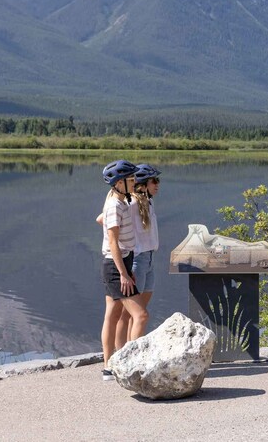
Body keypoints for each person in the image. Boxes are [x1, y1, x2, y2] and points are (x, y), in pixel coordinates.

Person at [99, 159, 149, 381]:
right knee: (140, 315)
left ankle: (109, 366)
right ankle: (130, 363)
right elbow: (112, 242)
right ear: (119, 183)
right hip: (115, 265)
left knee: (113, 314)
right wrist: (123, 273)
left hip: (124, 261)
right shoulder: (114, 206)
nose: (134, 182)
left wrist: (127, 268)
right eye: (130, 179)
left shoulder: (121, 200)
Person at [114, 163, 162, 346]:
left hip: (149, 260)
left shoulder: (147, 201)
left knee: (139, 312)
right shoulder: (131, 203)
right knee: (128, 314)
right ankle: (124, 356)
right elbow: (104, 219)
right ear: (142, 184)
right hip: (137, 260)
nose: (157, 184)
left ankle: (131, 349)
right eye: (154, 181)